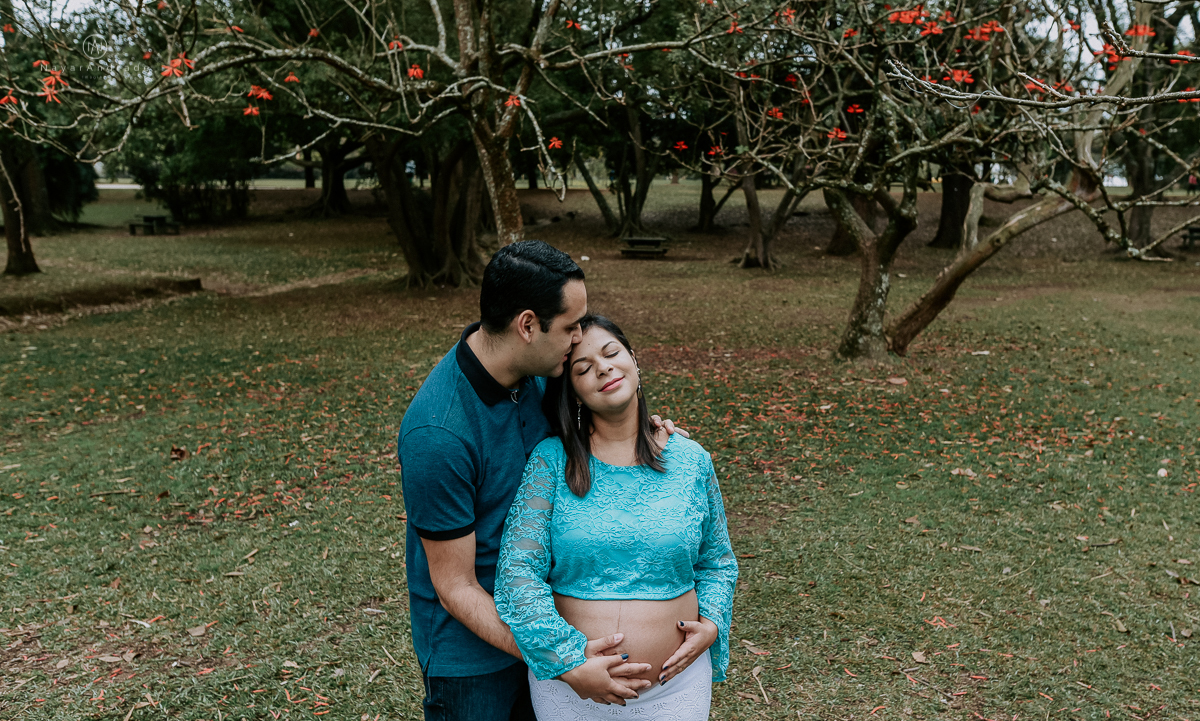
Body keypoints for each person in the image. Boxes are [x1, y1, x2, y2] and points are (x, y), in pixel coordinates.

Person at [398, 242, 682, 721]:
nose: (578, 340)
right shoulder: (438, 433)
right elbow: (456, 586)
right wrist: (558, 657)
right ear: (527, 326)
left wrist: (645, 431)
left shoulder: (540, 372)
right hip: (473, 661)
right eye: (571, 327)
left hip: (552, 627)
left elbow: (596, 424)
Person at [496, 315, 738, 720]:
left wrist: (712, 623)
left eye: (611, 353)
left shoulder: (692, 461)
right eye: (583, 368)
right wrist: (568, 660)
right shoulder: (551, 462)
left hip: (675, 688)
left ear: (635, 363)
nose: (603, 367)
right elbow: (518, 571)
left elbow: (717, 561)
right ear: (573, 392)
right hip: (571, 688)